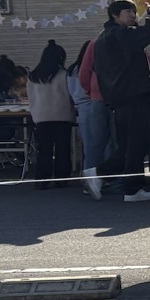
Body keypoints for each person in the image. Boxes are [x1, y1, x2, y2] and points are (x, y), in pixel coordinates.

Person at [93, 0, 150, 203]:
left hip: (120, 97)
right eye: (127, 12)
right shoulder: (120, 34)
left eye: (134, 11)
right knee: (137, 144)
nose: (133, 15)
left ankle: (98, 173)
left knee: (127, 146)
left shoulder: (105, 37)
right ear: (115, 15)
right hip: (133, 95)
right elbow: (149, 33)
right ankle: (132, 188)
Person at [26, 43, 75, 187]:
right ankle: (61, 179)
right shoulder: (64, 75)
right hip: (63, 116)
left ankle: (42, 180)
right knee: (63, 150)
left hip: (41, 117)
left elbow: (31, 97)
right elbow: (70, 95)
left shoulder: (34, 76)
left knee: (44, 150)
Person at [67, 40, 111, 192]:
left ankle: (90, 179)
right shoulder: (95, 67)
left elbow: (74, 90)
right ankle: (101, 177)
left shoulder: (72, 69)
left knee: (90, 144)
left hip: (81, 107)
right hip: (94, 102)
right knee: (104, 143)